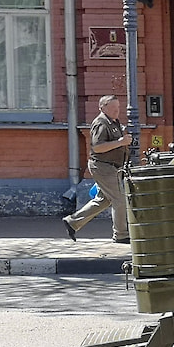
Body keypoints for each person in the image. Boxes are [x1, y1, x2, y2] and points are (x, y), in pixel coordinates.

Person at [63, 95, 132, 244]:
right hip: (103, 167)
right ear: (103, 107)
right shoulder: (101, 123)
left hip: (111, 167)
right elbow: (98, 147)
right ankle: (121, 234)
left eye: (118, 108)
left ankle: (73, 222)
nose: (116, 111)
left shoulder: (113, 122)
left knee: (103, 200)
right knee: (119, 199)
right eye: (113, 108)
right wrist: (120, 142)